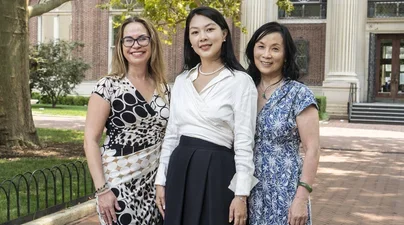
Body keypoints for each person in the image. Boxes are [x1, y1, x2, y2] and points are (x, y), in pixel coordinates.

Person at [154, 6, 258, 225]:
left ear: (224, 34)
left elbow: (244, 141)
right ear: (190, 41)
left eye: (209, 29)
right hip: (180, 168)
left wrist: (241, 195)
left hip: (218, 170)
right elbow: (172, 134)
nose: (203, 37)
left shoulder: (240, 81)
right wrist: (160, 181)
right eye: (195, 32)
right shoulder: (182, 81)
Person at [84, 16, 169, 225]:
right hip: (118, 185)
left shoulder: (163, 87)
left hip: (154, 184)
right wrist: (102, 190)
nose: (136, 45)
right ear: (120, 46)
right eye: (128, 40)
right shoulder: (108, 86)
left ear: (152, 43)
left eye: (142, 38)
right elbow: (90, 140)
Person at [245, 22, 320, 225]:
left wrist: (301, 198)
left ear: (286, 55)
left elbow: (312, 149)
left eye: (275, 48)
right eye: (261, 46)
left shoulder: (298, 94)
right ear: (253, 49)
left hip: (285, 193)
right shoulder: (244, 89)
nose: (266, 54)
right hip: (247, 191)